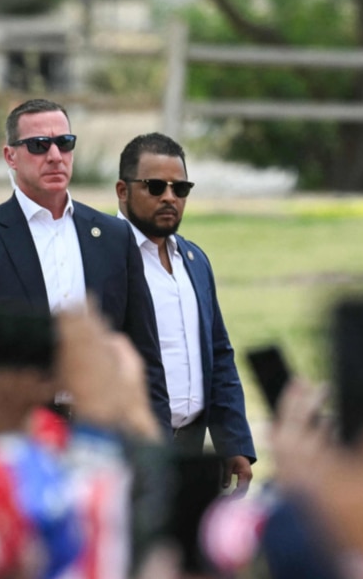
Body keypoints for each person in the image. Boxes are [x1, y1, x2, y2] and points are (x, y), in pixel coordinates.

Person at [0, 98, 169, 432]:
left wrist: (157, 448)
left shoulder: (115, 237)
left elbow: (144, 352)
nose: (54, 156)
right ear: (10, 157)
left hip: (105, 426)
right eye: (38, 145)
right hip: (18, 430)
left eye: (64, 143)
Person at [116, 133, 256, 492]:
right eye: (155, 186)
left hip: (190, 448)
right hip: (129, 452)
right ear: (122, 190)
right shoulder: (101, 257)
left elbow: (219, 354)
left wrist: (233, 442)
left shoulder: (193, 259)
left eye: (180, 189)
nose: (169, 197)